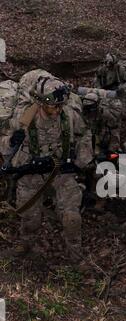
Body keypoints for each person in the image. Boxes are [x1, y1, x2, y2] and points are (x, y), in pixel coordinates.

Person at [9, 75, 93, 260]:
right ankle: (26, 242)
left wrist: (80, 162)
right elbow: (7, 144)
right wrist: (11, 142)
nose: (57, 109)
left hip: (61, 172)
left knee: (72, 219)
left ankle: (75, 254)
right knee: (31, 218)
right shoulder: (25, 118)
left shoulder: (68, 114)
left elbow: (84, 133)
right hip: (31, 174)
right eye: (53, 105)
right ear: (40, 102)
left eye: (61, 105)